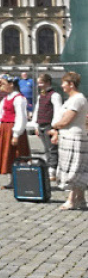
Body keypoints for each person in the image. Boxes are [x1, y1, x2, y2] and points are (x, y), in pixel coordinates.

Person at [49, 72, 88, 210]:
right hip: (68, 137)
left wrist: (54, 126)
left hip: (74, 137)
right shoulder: (71, 99)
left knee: (75, 170)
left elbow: (66, 120)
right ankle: (81, 199)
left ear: (71, 84)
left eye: (64, 83)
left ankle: (72, 200)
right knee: (78, 170)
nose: (62, 86)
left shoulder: (77, 99)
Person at [0, 76, 31, 190]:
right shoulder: (5, 99)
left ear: (11, 84)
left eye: (3, 83)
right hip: (4, 128)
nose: (0, 86)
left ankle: (22, 181)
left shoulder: (19, 99)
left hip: (12, 128)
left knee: (17, 155)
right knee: (9, 156)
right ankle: (13, 181)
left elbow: (21, 117)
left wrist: (16, 134)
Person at [34, 74, 64, 181]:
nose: (39, 85)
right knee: (46, 149)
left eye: (41, 83)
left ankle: (53, 170)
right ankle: (49, 168)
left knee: (52, 149)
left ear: (47, 82)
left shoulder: (55, 95)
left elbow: (57, 111)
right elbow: (37, 109)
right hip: (41, 124)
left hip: (49, 125)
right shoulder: (40, 95)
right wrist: (36, 125)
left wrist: (54, 126)